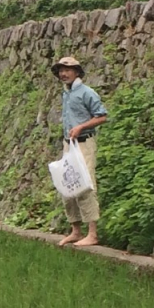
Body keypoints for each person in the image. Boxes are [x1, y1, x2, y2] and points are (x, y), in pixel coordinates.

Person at [53, 56, 108, 247]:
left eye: (67, 70)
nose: (63, 73)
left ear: (77, 71)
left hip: (84, 143)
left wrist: (81, 128)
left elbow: (101, 116)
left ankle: (92, 234)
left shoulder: (87, 92)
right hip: (69, 144)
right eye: (61, 70)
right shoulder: (66, 93)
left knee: (85, 185)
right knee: (67, 186)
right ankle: (76, 231)